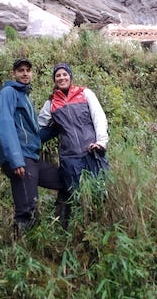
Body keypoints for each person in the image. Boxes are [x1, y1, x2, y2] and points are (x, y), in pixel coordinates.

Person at [0, 58, 65, 237]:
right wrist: (16, 160)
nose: (25, 73)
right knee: (26, 209)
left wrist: (56, 128)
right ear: (14, 74)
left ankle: (61, 225)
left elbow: (33, 136)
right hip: (21, 159)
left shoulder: (25, 97)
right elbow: (5, 124)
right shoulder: (8, 93)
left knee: (65, 180)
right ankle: (19, 254)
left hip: (31, 158)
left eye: (28, 70)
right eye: (21, 70)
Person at [38, 62, 109, 225]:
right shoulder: (51, 103)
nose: (62, 77)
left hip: (92, 151)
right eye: (58, 75)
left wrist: (101, 142)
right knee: (75, 195)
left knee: (100, 190)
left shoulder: (85, 93)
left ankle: (101, 224)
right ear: (54, 80)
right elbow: (39, 124)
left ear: (70, 76)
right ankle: (78, 228)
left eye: (64, 74)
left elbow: (99, 117)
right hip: (70, 157)